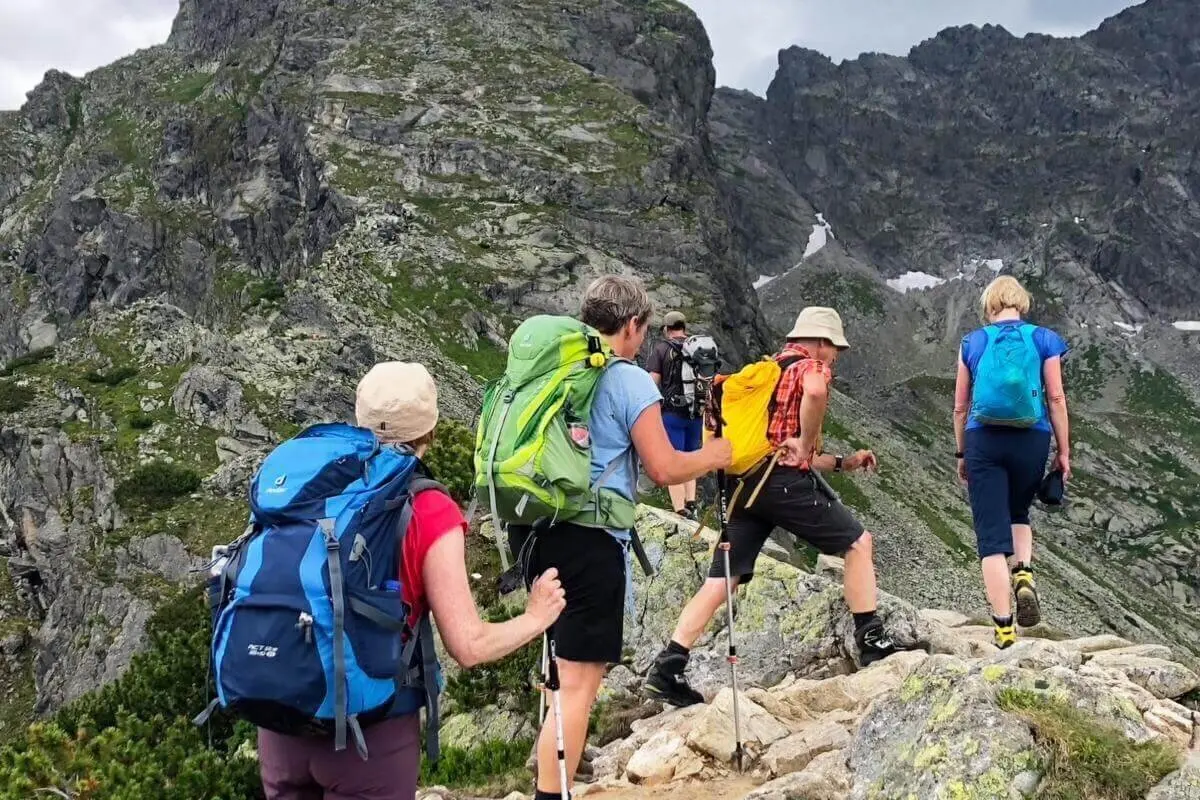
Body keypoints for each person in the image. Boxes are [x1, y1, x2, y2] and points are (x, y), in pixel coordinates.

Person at [257, 361, 567, 800]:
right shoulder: (429, 508)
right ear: (432, 430)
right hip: (370, 735)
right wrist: (538, 615)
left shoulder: (306, 487)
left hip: (279, 722)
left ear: (360, 420)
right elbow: (469, 646)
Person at [522, 276, 732, 800]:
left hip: (537, 529)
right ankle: (554, 794)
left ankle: (552, 780)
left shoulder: (553, 366)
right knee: (578, 684)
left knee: (558, 676)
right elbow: (662, 468)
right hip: (591, 541)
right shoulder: (626, 378)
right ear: (633, 325)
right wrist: (713, 456)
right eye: (642, 330)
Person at [644, 306, 918, 707]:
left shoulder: (766, 371)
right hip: (779, 485)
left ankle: (668, 667)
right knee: (859, 543)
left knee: (723, 579)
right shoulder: (810, 367)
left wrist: (844, 462)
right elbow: (813, 403)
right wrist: (807, 445)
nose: (836, 355)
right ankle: (872, 640)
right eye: (835, 347)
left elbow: (782, 447)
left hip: (744, 487)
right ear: (821, 343)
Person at [953, 276, 1070, 649]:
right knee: (1019, 511)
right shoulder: (1044, 339)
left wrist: (961, 452)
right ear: (1022, 303)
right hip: (1031, 438)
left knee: (991, 538)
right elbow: (1055, 398)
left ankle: (1004, 629)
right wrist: (1063, 451)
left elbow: (959, 406)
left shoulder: (972, 342)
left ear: (990, 305)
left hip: (982, 438)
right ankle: (1024, 572)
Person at [646, 310, 704, 518]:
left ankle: (680, 510)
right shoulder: (699, 348)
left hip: (672, 414)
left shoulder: (662, 349)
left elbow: (652, 382)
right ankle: (692, 502)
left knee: (673, 459)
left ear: (666, 329)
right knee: (690, 458)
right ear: (684, 328)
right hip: (696, 413)